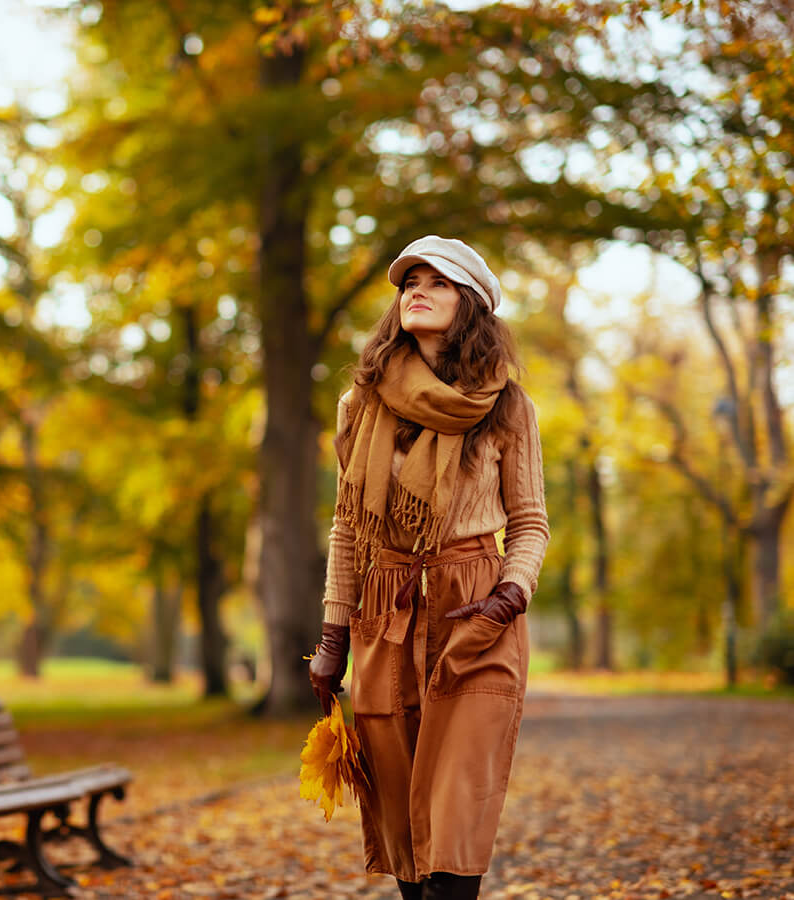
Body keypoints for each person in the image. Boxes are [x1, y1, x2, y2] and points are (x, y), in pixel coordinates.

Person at [307, 235, 550, 900]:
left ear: (469, 303)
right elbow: (348, 525)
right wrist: (332, 639)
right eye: (409, 281)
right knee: (404, 840)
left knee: (456, 819)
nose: (416, 289)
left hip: (476, 613)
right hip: (384, 612)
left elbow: (529, 522)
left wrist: (507, 596)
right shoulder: (362, 404)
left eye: (437, 281)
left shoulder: (507, 408)